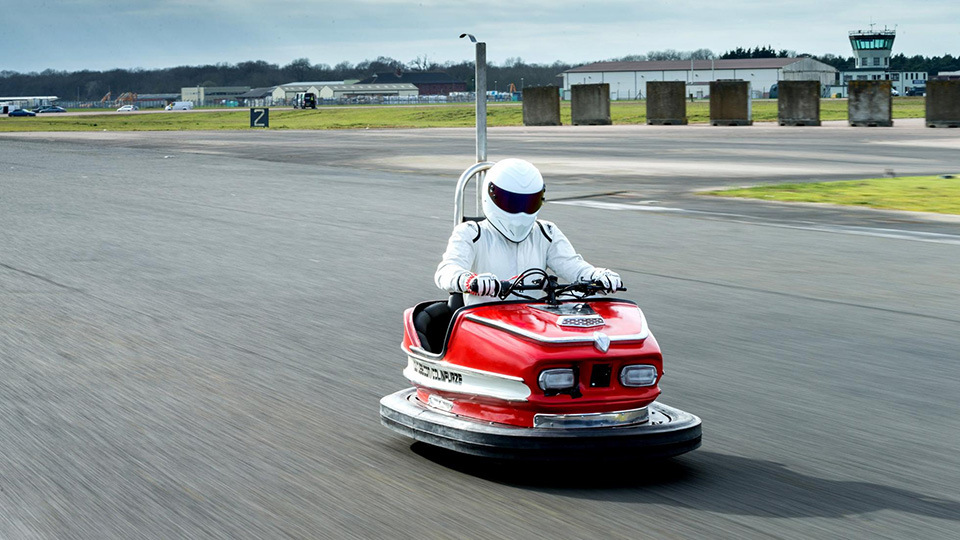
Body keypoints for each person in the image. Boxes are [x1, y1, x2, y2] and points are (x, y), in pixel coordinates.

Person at [435, 158, 622, 305]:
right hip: (481, 324)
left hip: (531, 322)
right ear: (490, 194)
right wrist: (469, 280)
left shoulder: (546, 232)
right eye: (512, 202)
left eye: (529, 202)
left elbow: (574, 267)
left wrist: (597, 275)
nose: (521, 211)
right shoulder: (470, 232)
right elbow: (446, 271)